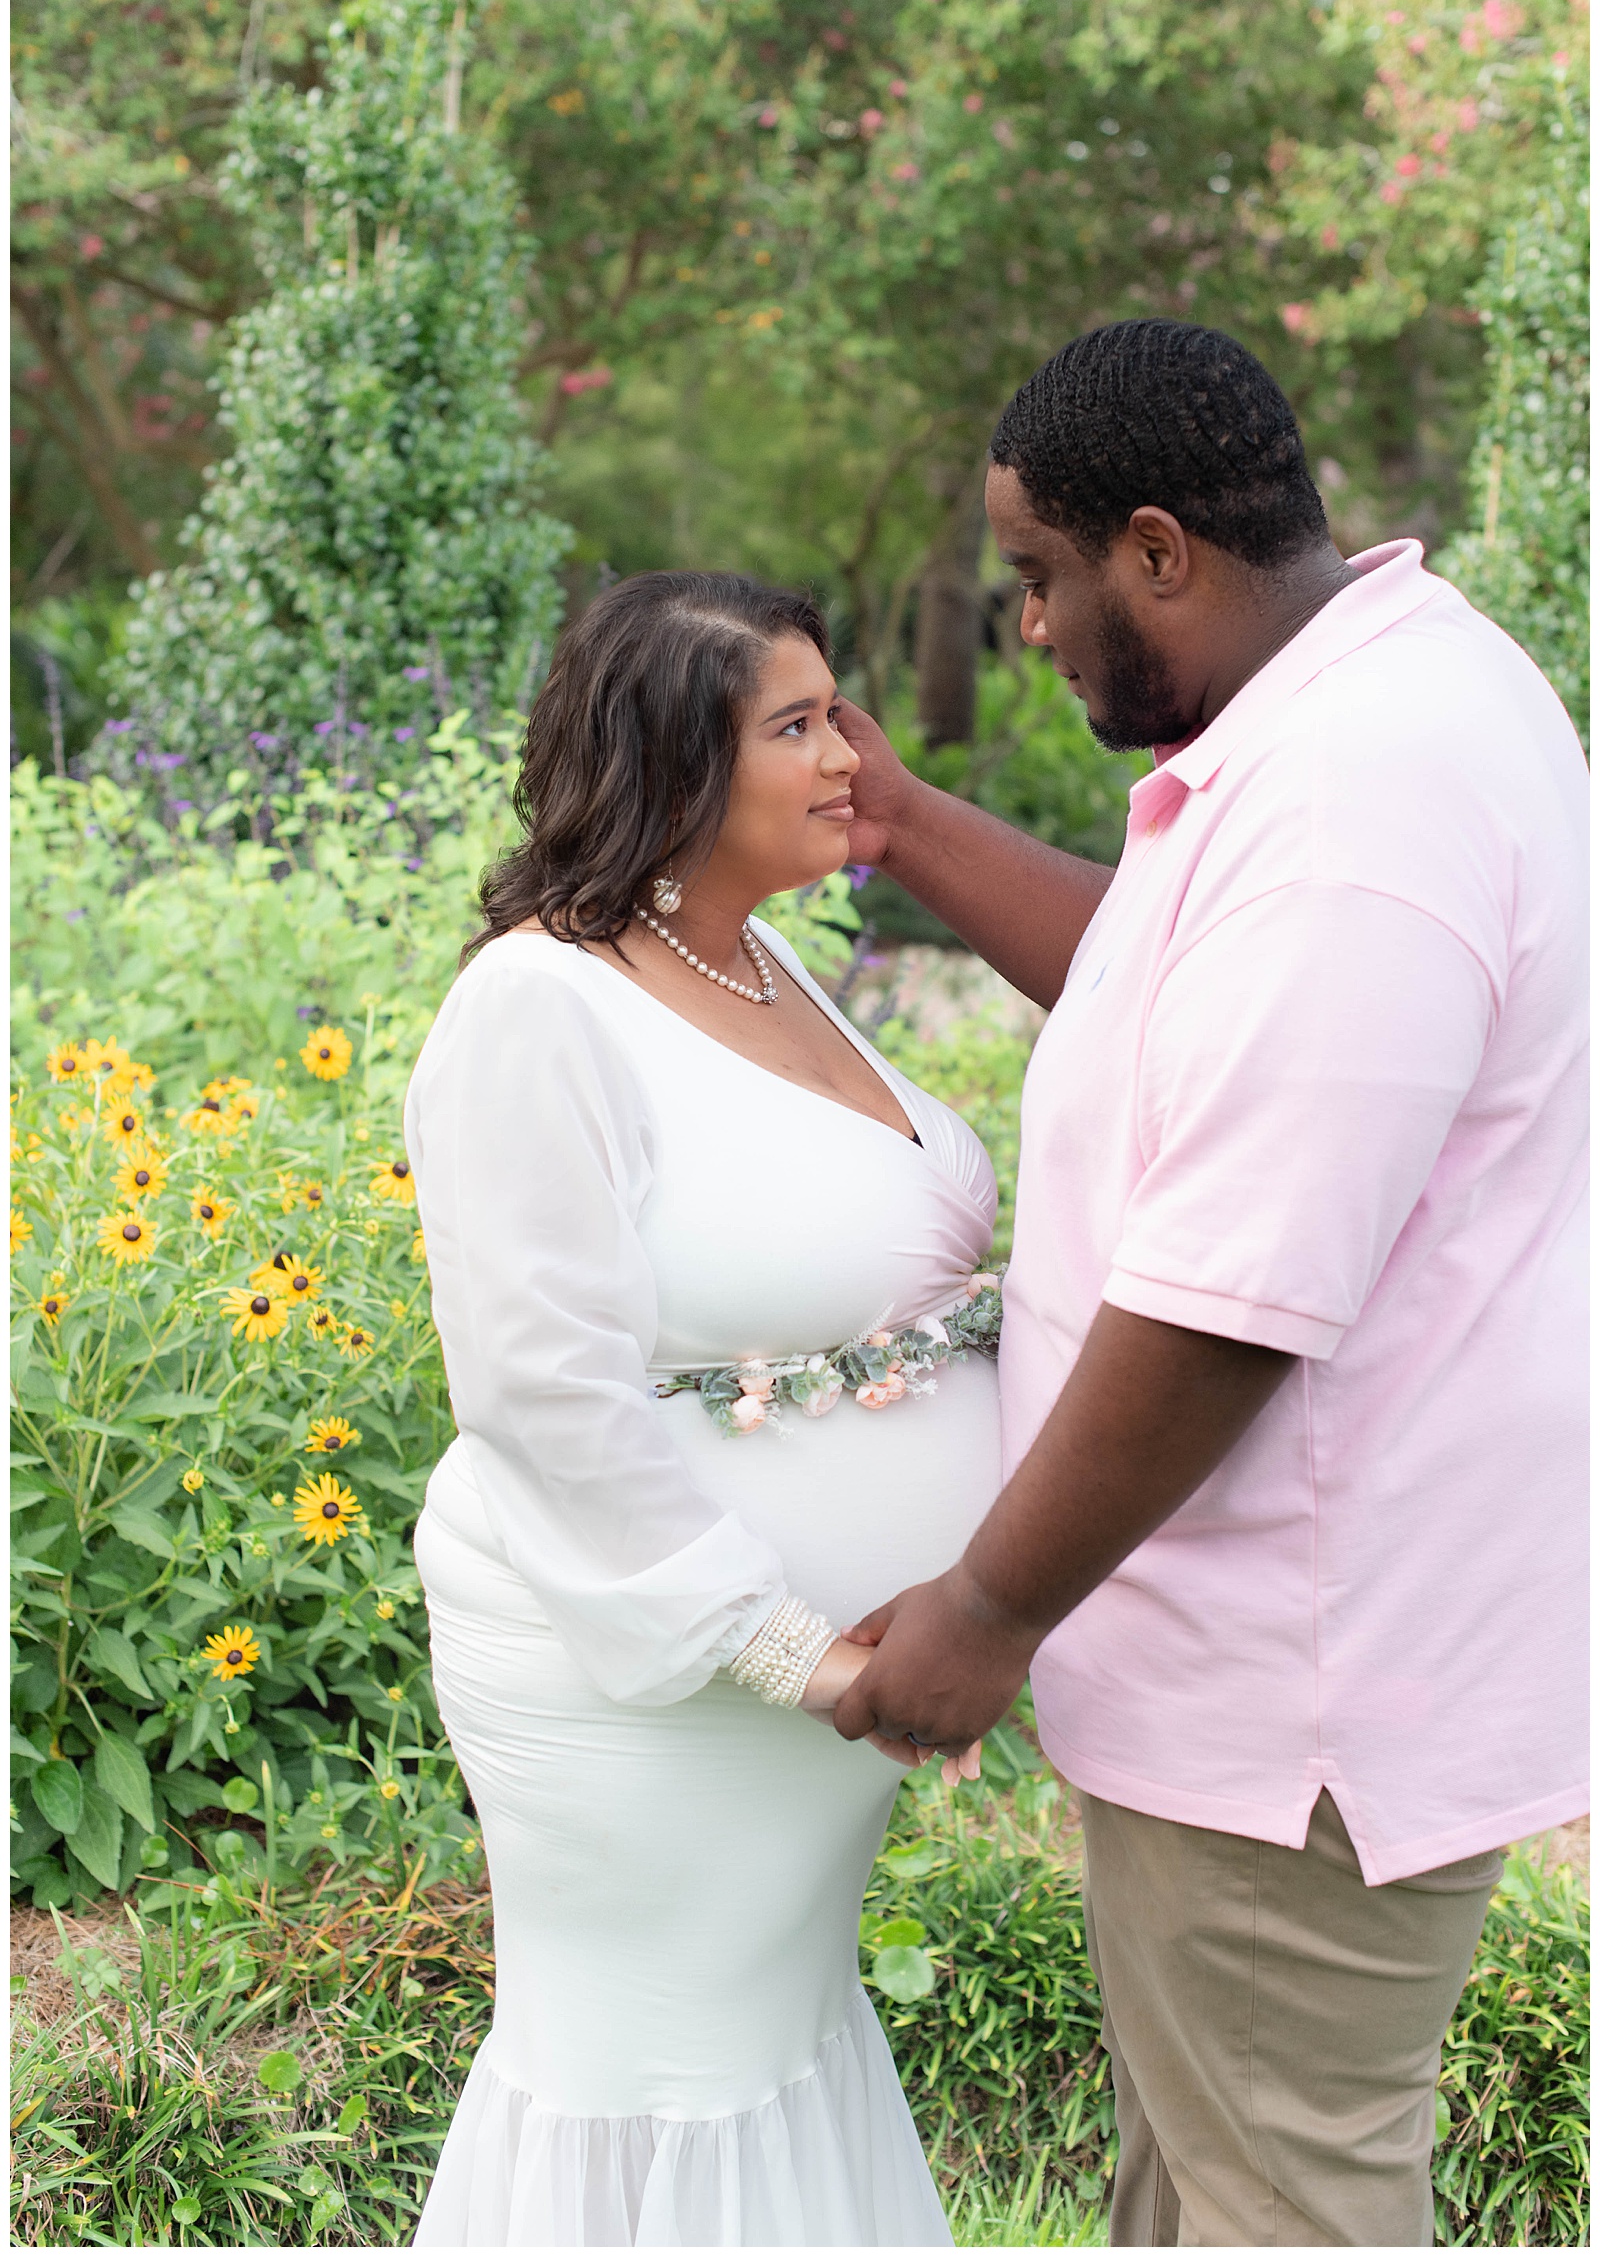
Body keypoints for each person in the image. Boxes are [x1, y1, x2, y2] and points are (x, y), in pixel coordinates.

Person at [830, 319, 1588, 2247]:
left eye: (1038, 578)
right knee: (1202, 2204)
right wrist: (907, 823)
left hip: (1292, 1712)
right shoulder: (1334, 719)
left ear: (1156, 550)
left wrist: (988, 1609)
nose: (1028, 629)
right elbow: (1158, 986)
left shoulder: (1355, 806)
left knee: (1282, 2218)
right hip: (1259, 1696)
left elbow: (1234, 1297)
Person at [405, 571, 996, 2248]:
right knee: (658, 2078)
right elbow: (540, 1390)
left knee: (780, 2043)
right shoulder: (538, 1004)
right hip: (665, 1693)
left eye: (837, 711)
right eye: (797, 727)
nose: (848, 757)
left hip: (830, 1705)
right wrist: (795, 1655)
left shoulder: (766, 970)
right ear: (670, 763)